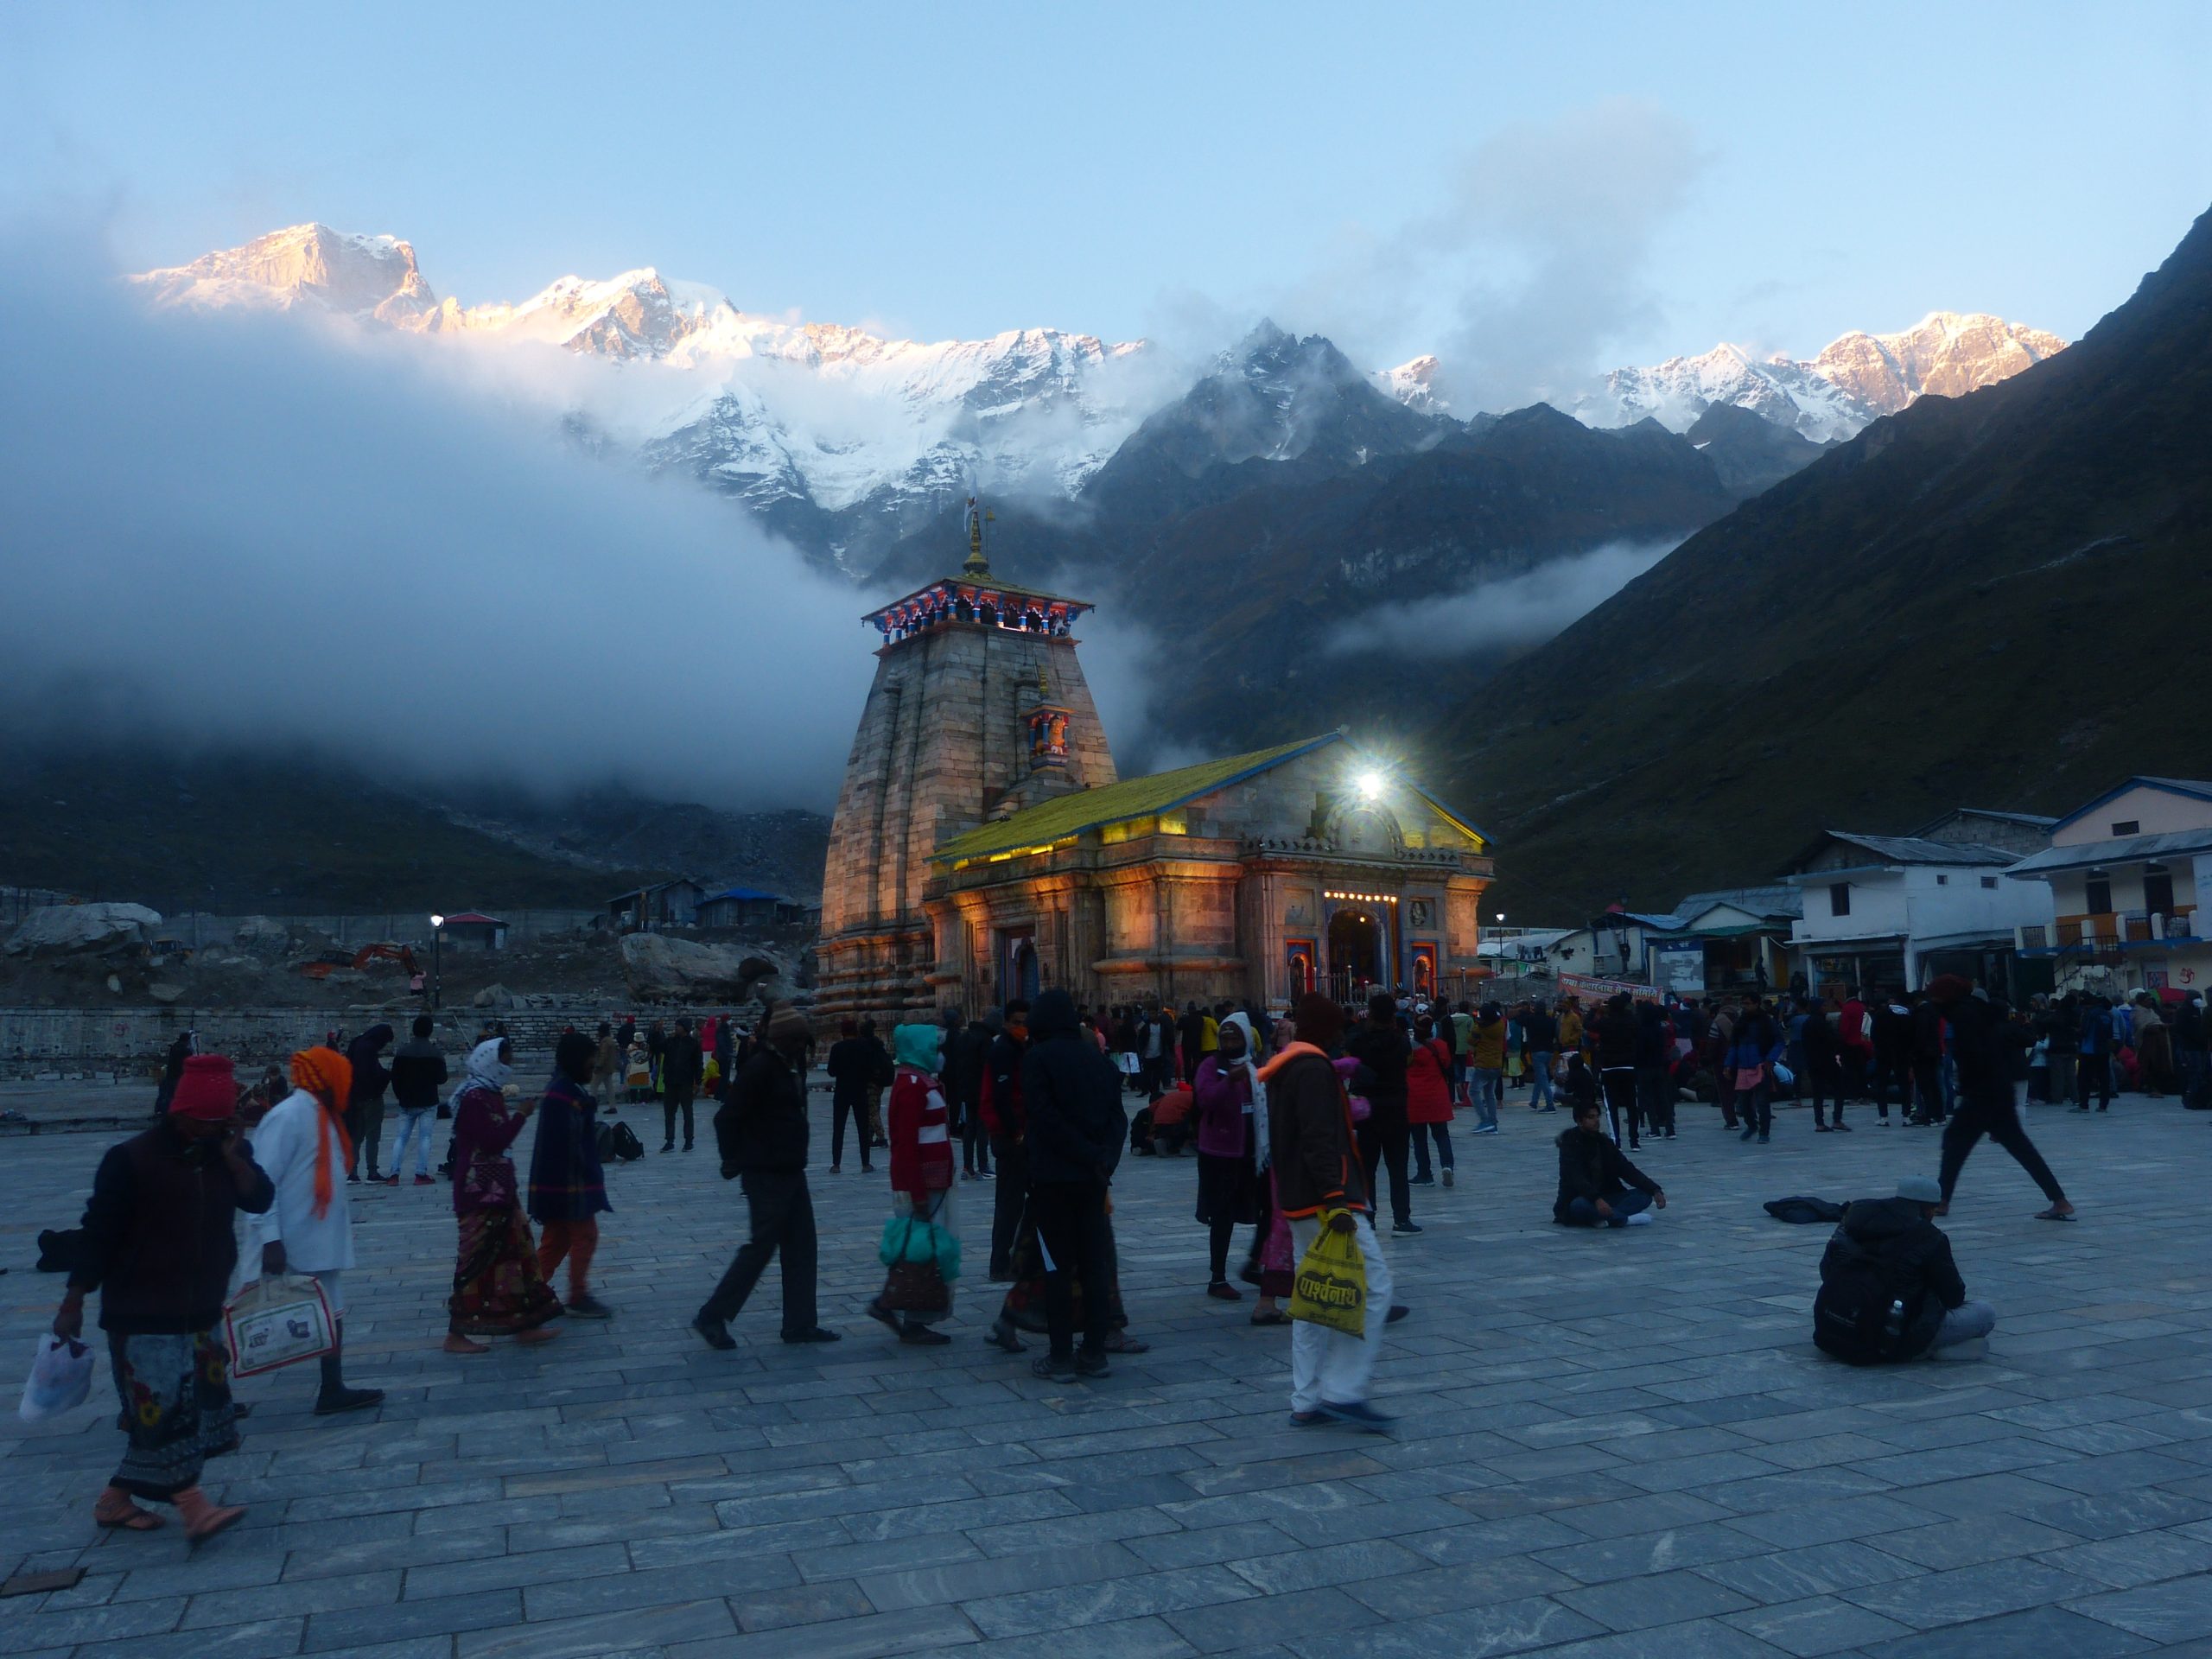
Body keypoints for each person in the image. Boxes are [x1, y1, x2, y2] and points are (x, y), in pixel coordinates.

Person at [54, 1052, 271, 1540]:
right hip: (142, 1310)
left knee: (182, 1412)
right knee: (161, 1409)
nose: (210, 1130)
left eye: (220, 1122)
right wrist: (74, 1300)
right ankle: (194, 1507)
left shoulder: (225, 1152)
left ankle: (115, 1500)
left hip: (201, 1309)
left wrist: (233, 1158)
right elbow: (98, 1234)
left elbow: (260, 1199)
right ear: (180, 1113)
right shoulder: (131, 1159)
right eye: (203, 1122)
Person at [1259, 991, 1394, 1430]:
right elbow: (1318, 1138)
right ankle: (1343, 1390)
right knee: (1374, 1288)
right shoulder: (1313, 1070)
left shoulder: (1286, 1066)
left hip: (1299, 1199)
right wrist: (1336, 1200)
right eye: (1337, 1030)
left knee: (1311, 1300)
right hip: (1327, 1202)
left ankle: (1307, 1398)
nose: (1341, 1037)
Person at [245, 1046, 383, 1414]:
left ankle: (332, 1388)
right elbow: (262, 1182)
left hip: (318, 1239)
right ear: (327, 1081)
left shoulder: (324, 1117)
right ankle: (212, 1395)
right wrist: (270, 1239)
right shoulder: (289, 1116)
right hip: (288, 1240)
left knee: (332, 1310)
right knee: (255, 1315)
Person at [693, 1006, 838, 1349]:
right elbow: (726, 1118)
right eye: (799, 1041)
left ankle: (800, 1323)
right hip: (766, 1173)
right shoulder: (760, 1068)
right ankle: (713, 1315)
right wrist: (732, 1159)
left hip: (790, 1170)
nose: (803, 1047)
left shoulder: (787, 1066)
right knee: (760, 1247)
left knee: (802, 1246)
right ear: (784, 1039)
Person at [1020, 988, 1128, 1382]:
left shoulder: (1038, 1059)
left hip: (1053, 1180)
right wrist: (1104, 1159)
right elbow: (1118, 1118)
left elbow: (1044, 1117)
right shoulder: (1097, 1060)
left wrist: (1085, 1154)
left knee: (1057, 1268)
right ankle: (1094, 1353)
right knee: (1094, 1265)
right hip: (1093, 1179)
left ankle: (1061, 1356)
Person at [444, 1039, 564, 1353]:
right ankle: (456, 1334)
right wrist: (521, 1116)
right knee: (475, 1261)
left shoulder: (489, 1093)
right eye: (504, 1062)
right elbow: (494, 1142)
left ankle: (525, 1324)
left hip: (500, 1190)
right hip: (478, 1194)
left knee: (517, 1256)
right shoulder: (474, 1098)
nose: (507, 1068)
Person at [1929, 978, 2075, 1221]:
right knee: (2020, 1147)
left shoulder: (1963, 1014)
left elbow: (1974, 1055)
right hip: (1998, 1089)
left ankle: (1942, 1201)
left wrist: (1969, 1087)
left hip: (1982, 1092)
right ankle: (2060, 1201)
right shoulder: (1978, 1011)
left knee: (1955, 1143)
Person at [1813, 1175, 1995, 1363]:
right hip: (1886, 1338)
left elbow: (1826, 1271)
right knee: (1985, 1313)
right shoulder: (1930, 1237)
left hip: (1831, 1328)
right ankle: (1930, 1349)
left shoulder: (1853, 1219)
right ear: (1929, 1210)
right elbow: (1954, 1297)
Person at [867, 1022, 957, 1345]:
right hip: (921, 1182)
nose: (939, 1053)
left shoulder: (922, 1081)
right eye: (934, 1047)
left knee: (920, 1247)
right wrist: (916, 1191)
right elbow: (905, 1143)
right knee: (919, 1249)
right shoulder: (911, 1085)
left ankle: (896, 1307)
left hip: (934, 1179)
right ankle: (906, 1314)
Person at [528, 1032, 613, 1318]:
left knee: (556, 1242)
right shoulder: (563, 1096)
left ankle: (528, 1294)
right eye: (590, 1061)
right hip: (568, 1186)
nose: (594, 1067)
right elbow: (568, 1148)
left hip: (556, 1185)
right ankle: (577, 1296)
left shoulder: (566, 1091)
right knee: (585, 1236)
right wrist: (589, 1178)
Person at [1193, 1014, 1262, 1298]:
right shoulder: (1211, 1065)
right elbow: (1205, 1099)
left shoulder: (1255, 1066)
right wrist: (1230, 1081)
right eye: (1225, 1037)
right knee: (1222, 1215)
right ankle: (1217, 1278)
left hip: (1252, 1151)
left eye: (1235, 1037)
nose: (1230, 1042)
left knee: (1264, 1209)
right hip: (1220, 1152)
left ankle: (1256, 1263)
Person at [1346, 992, 1417, 1236]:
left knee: (1366, 1169)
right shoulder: (1401, 1041)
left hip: (1366, 1110)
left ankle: (1368, 1218)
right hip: (1395, 1108)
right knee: (1398, 1168)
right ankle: (1402, 1219)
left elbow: (1350, 1056)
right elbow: (1407, 1063)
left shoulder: (1358, 1040)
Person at [1553, 1096, 1666, 1226]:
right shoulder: (1570, 1144)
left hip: (1608, 1195)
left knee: (1643, 1196)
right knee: (1578, 1205)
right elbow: (1577, 1178)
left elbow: (1627, 1169)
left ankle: (1606, 1218)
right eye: (1591, 1117)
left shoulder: (1604, 1142)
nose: (1596, 1121)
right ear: (1579, 1121)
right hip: (1582, 1197)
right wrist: (1596, 1199)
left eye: (1597, 1116)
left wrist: (1654, 1189)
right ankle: (1623, 1219)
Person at [982, 1000, 1032, 1280]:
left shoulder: (1020, 1048)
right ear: (1006, 1023)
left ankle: (1018, 1260)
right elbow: (1001, 1098)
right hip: (1008, 1136)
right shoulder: (1003, 1050)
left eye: (1025, 1023)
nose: (1021, 1028)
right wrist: (1016, 1133)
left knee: (1018, 1203)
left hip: (1017, 1134)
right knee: (1009, 1204)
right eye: (1016, 1023)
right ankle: (1000, 1264)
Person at [385, 1014, 448, 1186]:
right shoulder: (435, 1053)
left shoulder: (402, 1052)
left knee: (401, 1138)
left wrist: (400, 1095)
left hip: (406, 1101)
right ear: (430, 1031)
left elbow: (395, 1078)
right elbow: (442, 1078)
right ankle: (420, 1174)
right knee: (425, 1138)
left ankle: (393, 1174)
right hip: (428, 1101)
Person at [1405, 1016, 1456, 1185]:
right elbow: (1447, 1065)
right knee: (1442, 1135)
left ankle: (1425, 1174)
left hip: (1415, 1097)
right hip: (1437, 1095)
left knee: (1419, 1139)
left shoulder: (1409, 1048)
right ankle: (1447, 1166)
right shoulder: (1441, 1046)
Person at [1728, 997, 1784, 1144]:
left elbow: (1779, 1042)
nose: (1744, 1006)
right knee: (1744, 1103)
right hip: (1743, 1067)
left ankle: (1764, 1132)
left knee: (1762, 1102)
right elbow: (1734, 1045)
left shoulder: (1766, 1022)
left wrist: (1770, 1058)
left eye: (1747, 1003)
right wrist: (1729, 1064)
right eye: (1743, 1004)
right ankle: (1752, 1125)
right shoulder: (1740, 1023)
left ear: (1756, 1004)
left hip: (1761, 1066)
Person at [824, 1019, 877, 1174]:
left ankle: (836, 1164)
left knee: (838, 1128)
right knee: (862, 1128)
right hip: (860, 1091)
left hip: (842, 1091)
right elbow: (871, 1069)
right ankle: (865, 1163)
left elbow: (831, 1071)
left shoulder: (837, 1048)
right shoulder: (864, 1046)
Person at [343, 1023, 395, 1183]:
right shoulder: (370, 1049)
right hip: (371, 1098)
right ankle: (372, 1172)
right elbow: (372, 1074)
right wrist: (387, 1075)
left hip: (354, 1097)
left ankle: (352, 1172)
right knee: (372, 1136)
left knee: (356, 1136)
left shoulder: (356, 1043)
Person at [1592, 993, 1641, 1149]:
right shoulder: (1632, 1021)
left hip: (1609, 1067)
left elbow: (1588, 1025)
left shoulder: (1605, 1022)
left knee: (1611, 1108)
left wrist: (1595, 1009)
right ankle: (1634, 1141)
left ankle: (1616, 1141)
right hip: (1628, 1066)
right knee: (1632, 1105)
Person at [1802, 995, 1847, 1132]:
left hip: (1812, 1062)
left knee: (1818, 1093)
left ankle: (1819, 1123)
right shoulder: (1822, 1023)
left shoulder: (1808, 1022)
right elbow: (1832, 1040)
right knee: (1839, 1089)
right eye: (1824, 1006)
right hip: (1827, 1061)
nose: (1827, 1008)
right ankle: (1837, 1120)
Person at [658, 1015, 702, 1154]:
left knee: (687, 1113)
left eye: (679, 1025)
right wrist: (657, 1032)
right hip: (670, 1082)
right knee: (669, 1113)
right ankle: (669, 1141)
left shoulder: (693, 1044)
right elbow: (657, 1046)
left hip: (685, 1083)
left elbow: (698, 1064)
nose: (676, 1027)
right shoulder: (670, 1041)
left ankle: (689, 1141)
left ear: (685, 1028)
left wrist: (697, 1082)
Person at [1634, 999, 1677, 1141]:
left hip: (1644, 1067)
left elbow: (1638, 1050)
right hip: (1659, 1065)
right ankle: (1670, 1129)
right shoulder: (1660, 1030)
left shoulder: (1640, 1030)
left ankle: (1654, 1129)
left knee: (1648, 1098)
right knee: (1663, 1097)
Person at [2075, 995, 2115, 1111]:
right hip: (2103, 1050)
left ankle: (2084, 1105)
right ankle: (2103, 1105)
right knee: (2104, 1078)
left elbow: (2084, 1031)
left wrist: (2076, 1033)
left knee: (2085, 1078)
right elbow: (2110, 1034)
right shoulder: (2108, 1015)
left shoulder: (2090, 1014)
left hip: (2088, 1050)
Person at [150, 1029, 194, 1122]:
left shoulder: (175, 1046)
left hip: (171, 1074)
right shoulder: (185, 1050)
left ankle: (160, 1111)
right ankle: (169, 1113)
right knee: (173, 1095)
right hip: (178, 1076)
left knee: (166, 1093)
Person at [591, 1022, 622, 1112]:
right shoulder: (611, 1041)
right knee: (609, 1088)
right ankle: (613, 1106)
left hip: (603, 1068)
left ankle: (593, 1106)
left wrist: (598, 1066)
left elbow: (603, 1055)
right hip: (610, 1067)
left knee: (594, 1086)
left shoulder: (605, 1042)